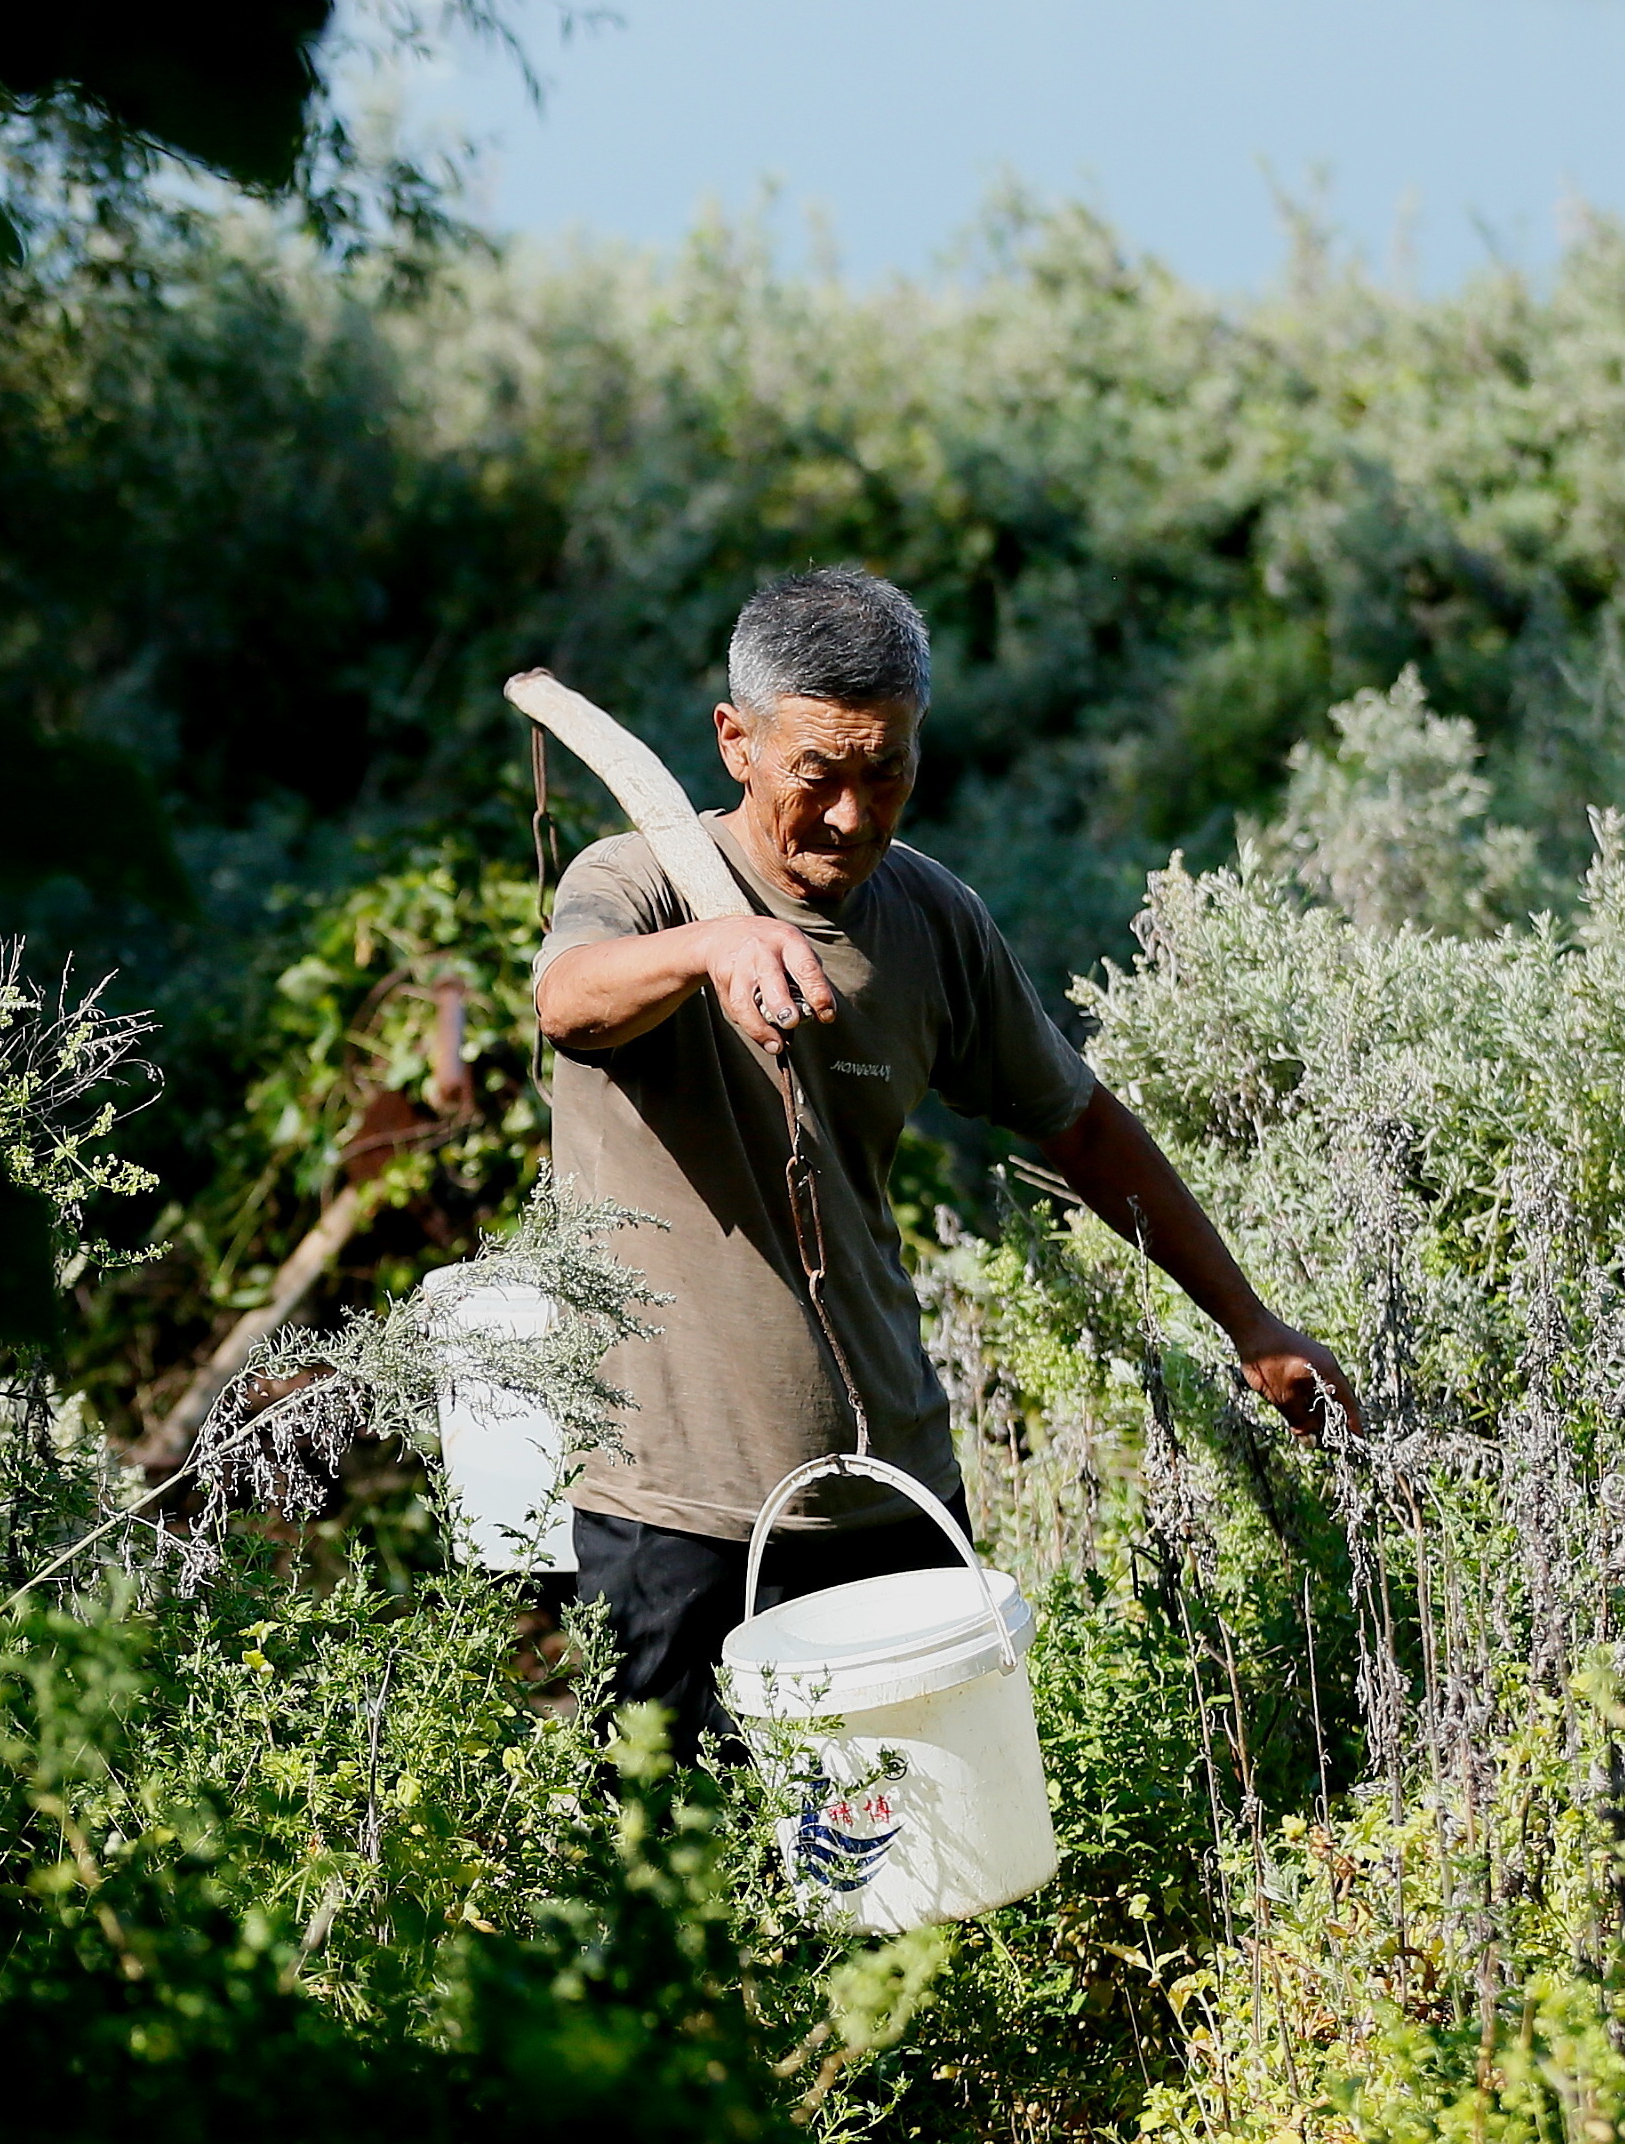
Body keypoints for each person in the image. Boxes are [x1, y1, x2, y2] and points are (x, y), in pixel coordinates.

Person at [532, 566, 1359, 1756]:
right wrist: (712, 944)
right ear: (736, 743)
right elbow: (569, 1003)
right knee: (674, 1875)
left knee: (929, 1873)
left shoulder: (930, 917)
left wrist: (1252, 1325)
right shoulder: (636, 883)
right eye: (819, 774)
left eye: (890, 773)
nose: (856, 816)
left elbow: (1078, 1128)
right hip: (675, 1505)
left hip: (891, 1487)